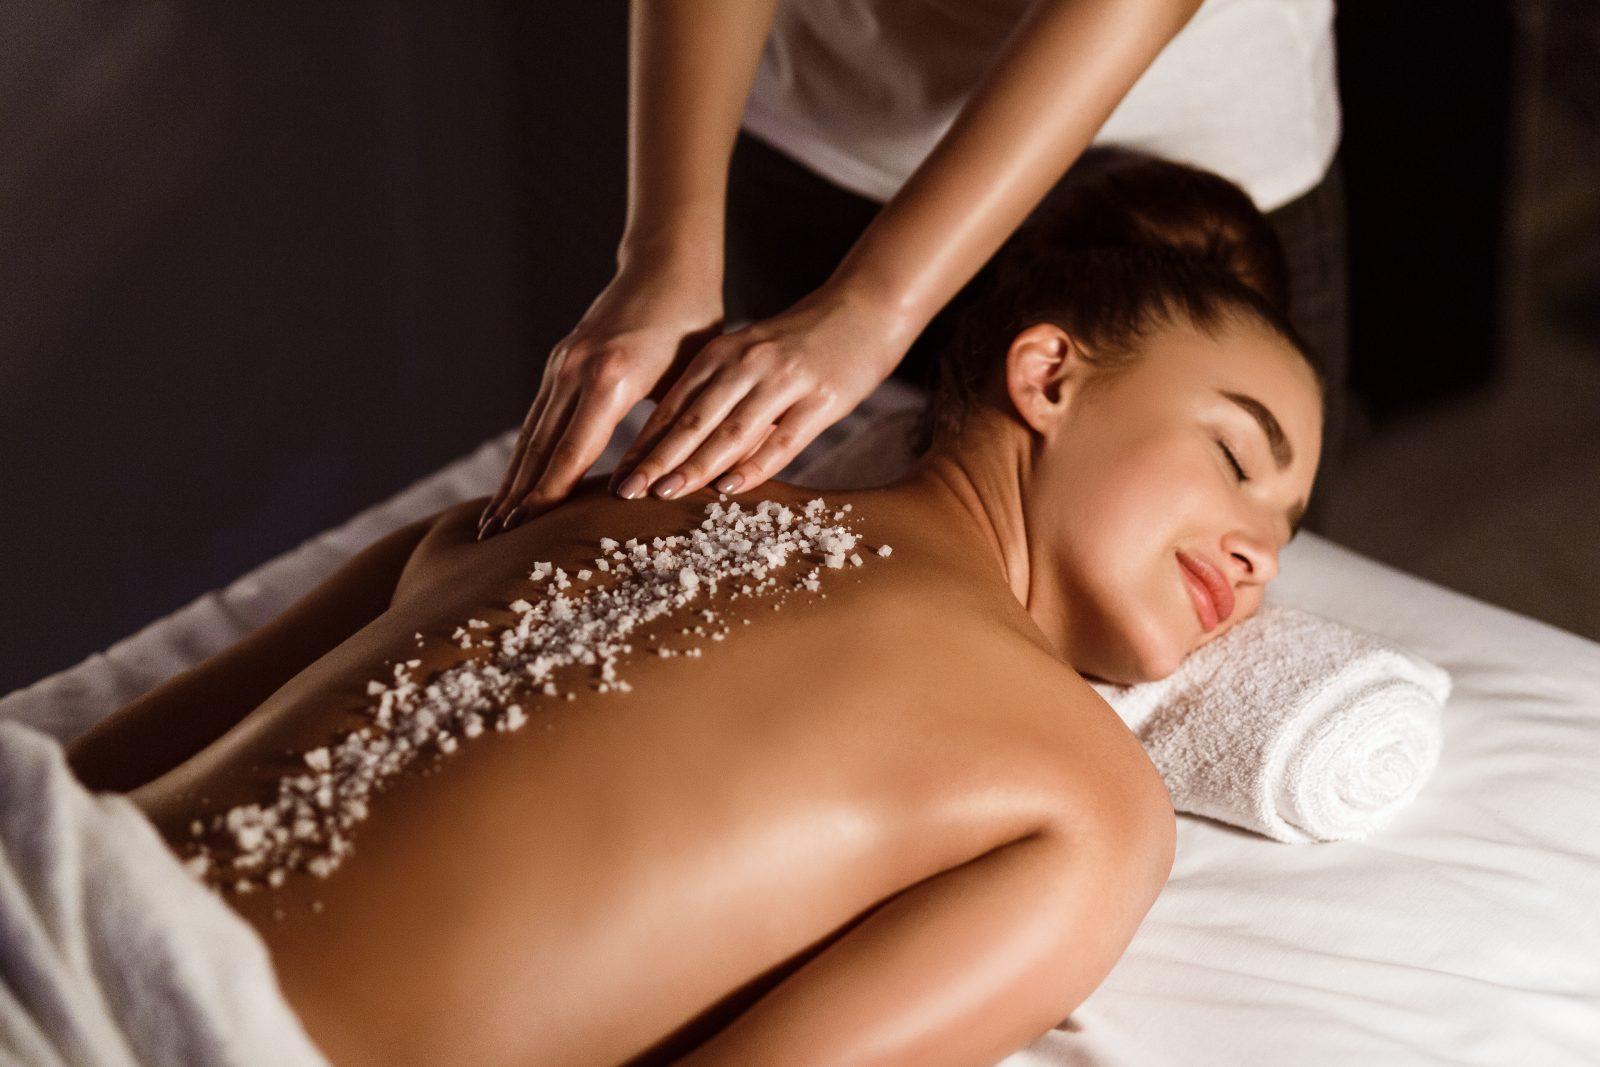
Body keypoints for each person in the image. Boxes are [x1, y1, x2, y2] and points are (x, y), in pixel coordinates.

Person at [64, 149, 1320, 1065]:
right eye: (1235, 457)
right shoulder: (1085, 802)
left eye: (1285, 527)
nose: (1261, 552)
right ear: (1047, 372)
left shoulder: (576, 506)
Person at [477, 0, 1344, 541]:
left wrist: (879, 305)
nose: (1258, 561)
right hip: (832, 119)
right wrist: (665, 254)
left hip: (1183, 143)